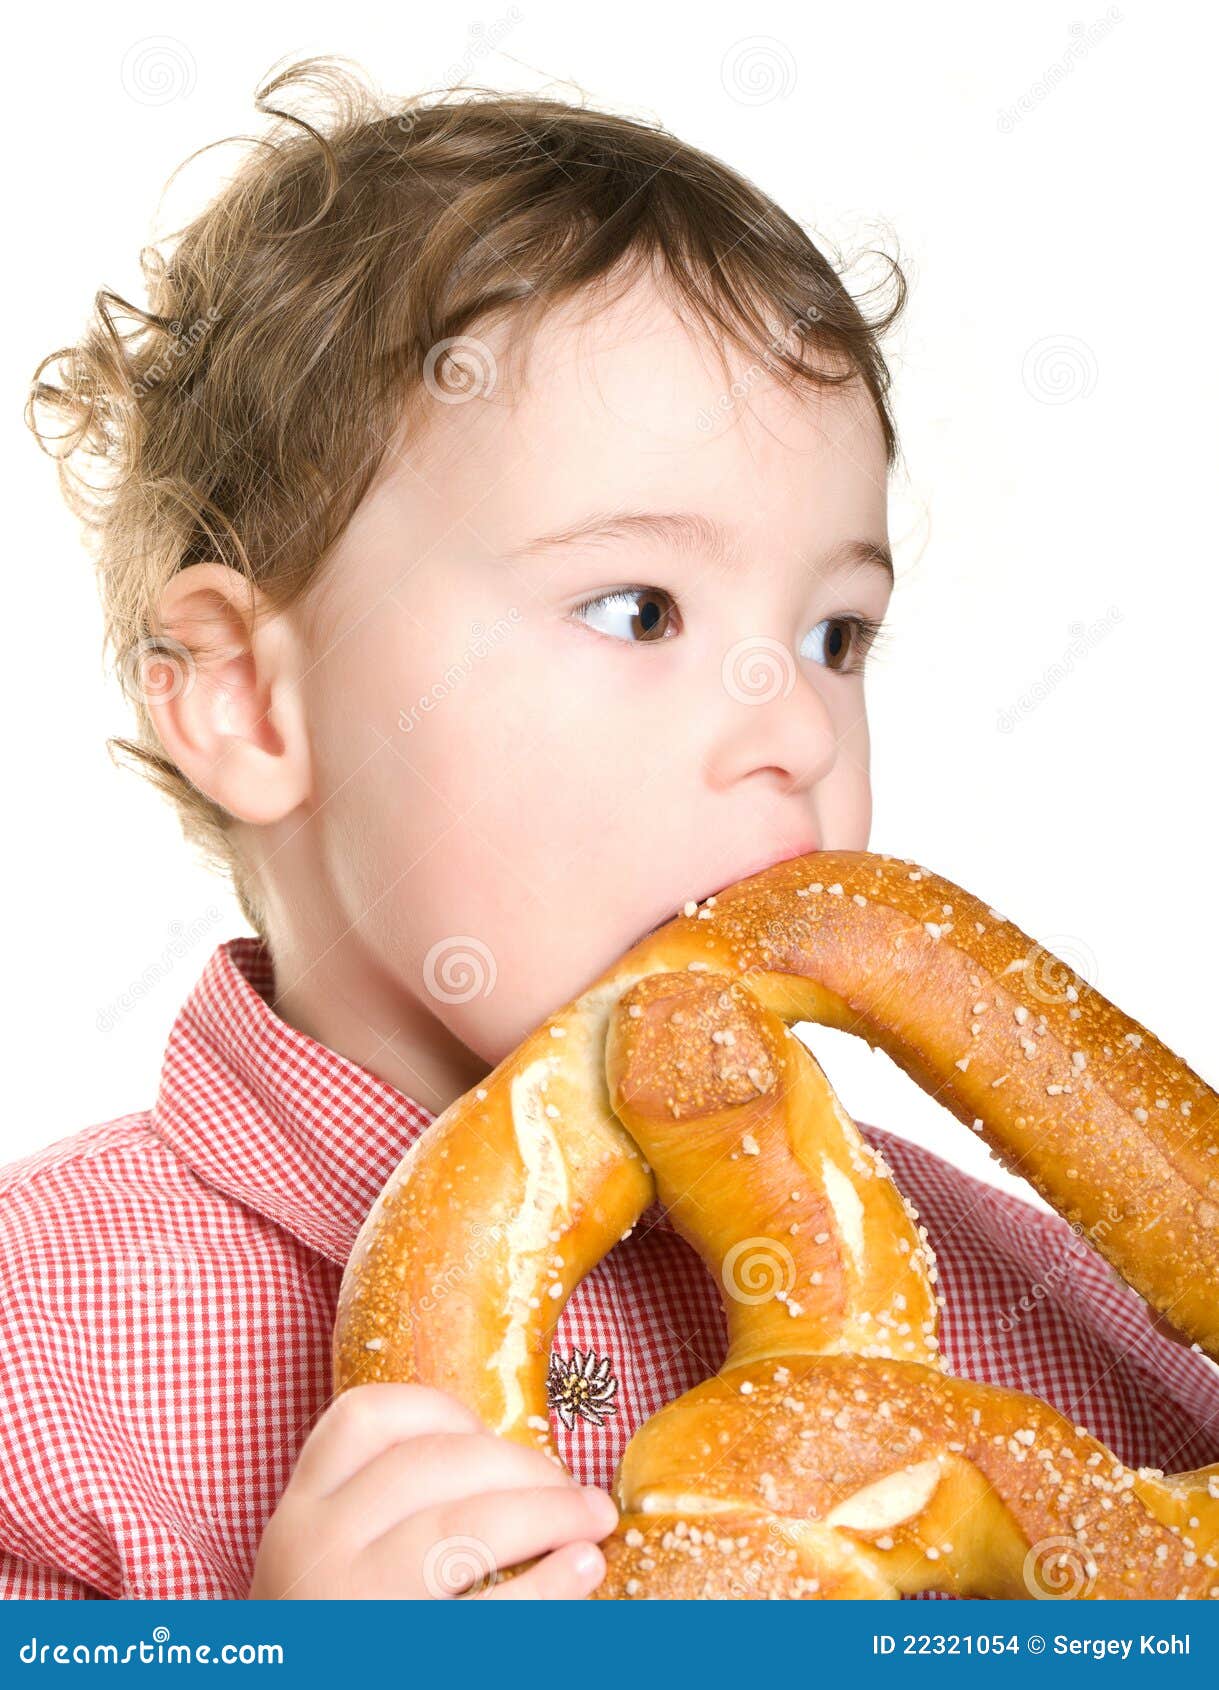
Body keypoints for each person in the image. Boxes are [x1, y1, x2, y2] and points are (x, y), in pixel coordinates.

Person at [5, 57, 1215, 1601]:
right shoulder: (41, 1365)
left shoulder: (1030, 1298)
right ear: (249, 700)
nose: (795, 724)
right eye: (639, 608)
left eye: (840, 634)